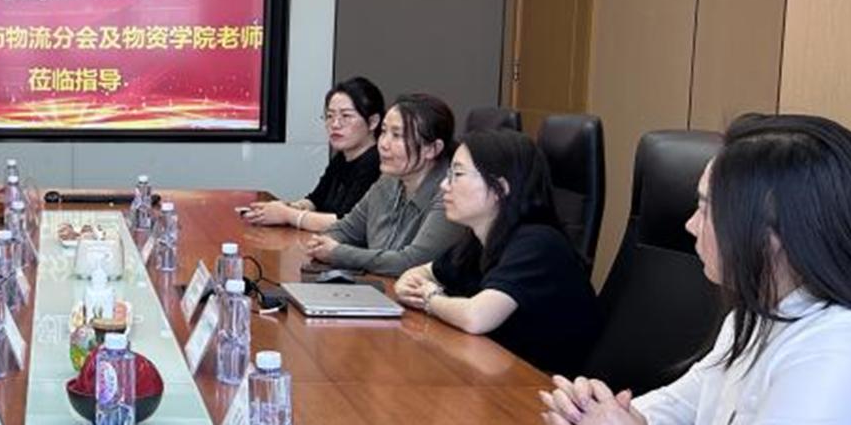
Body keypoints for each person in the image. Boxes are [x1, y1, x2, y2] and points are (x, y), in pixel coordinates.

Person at [540, 114, 851, 425]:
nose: (690, 225)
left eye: (706, 209)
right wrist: (598, 419)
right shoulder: (761, 315)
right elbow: (683, 405)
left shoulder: (848, 350)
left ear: (774, 233)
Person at [395, 130, 602, 376]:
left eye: (457, 175)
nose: (444, 185)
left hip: (543, 385)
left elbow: (476, 317)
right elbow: (422, 273)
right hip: (499, 370)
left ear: (500, 188)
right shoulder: (478, 240)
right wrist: (411, 286)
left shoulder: (538, 243)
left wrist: (430, 299)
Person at [299, 93, 466, 277]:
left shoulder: (450, 194)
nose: (383, 144)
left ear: (432, 149)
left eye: (397, 135)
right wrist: (324, 243)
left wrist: (338, 253)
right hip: (379, 287)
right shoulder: (388, 181)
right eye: (384, 132)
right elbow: (344, 229)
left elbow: (410, 262)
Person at [241, 76, 384, 231]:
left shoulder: (377, 164)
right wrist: (286, 207)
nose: (335, 124)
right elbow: (315, 200)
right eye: (330, 116)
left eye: (346, 116)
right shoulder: (342, 158)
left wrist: (287, 215)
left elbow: (347, 223)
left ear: (373, 122)